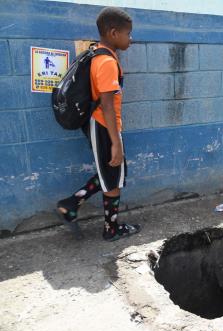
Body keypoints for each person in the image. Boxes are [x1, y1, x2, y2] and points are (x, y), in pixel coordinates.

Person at [57, 7, 140, 241]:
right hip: (103, 124)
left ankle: (71, 205)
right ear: (113, 33)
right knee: (112, 175)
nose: (131, 39)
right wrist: (116, 143)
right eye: (128, 34)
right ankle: (109, 229)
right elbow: (107, 104)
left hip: (103, 124)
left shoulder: (100, 54)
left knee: (110, 174)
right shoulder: (105, 62)